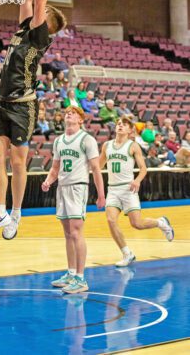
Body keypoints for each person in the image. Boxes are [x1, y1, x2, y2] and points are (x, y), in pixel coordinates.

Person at [0, 0, 67, 238]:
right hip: (3, 102)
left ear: (47, 23)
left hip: (23, 105)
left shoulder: (40, 36)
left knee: (17, 163)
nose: (35, 13)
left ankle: (16, 214)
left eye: (42, 14)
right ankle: (0, 211)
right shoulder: (22, 30)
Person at [41, 106, 105, 293]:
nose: (68, 113)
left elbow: (95, 168)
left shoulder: (87, 139)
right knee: (68, 233)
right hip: (62, 187)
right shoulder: (59, 140)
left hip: (78, 187)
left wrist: (101, 194)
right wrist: (48, 181)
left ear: (80, 120)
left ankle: (81, 278)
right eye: (67, 112)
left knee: (76, 231)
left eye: (73, 112)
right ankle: (70, 273)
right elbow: (55, 169)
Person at [99, 116, 174, 267]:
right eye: (119, 123)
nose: (120, 126)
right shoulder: (106, 146)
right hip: (112, 189)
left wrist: (137, 180)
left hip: (128, 188)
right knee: (110, 220)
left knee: (137, 224)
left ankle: (161, 223)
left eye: (124, 125)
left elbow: (143, 169)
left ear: (129, 130)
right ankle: (127, 254)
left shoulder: (133, 146)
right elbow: (98, 166)